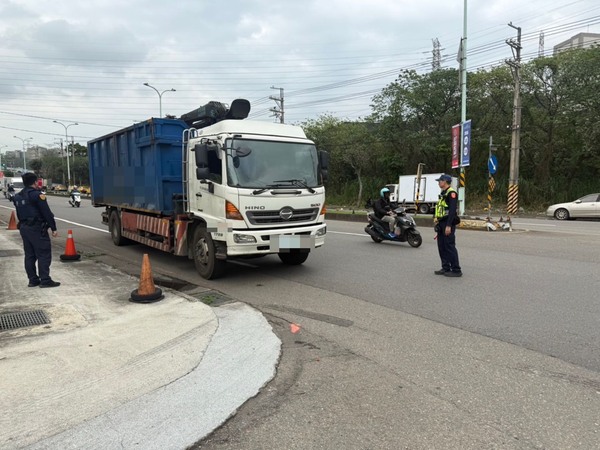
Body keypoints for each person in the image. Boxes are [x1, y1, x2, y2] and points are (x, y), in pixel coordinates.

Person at [13, 172, 60, 288]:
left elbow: (19, 214)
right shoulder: (37, 195)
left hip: (24, 228)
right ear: (35, 182)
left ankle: (33, 280)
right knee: (43, 254)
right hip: (36, 228)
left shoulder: (17, 196)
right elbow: (47, 213)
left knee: (29, 255)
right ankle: (45, 280)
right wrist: (53, 228)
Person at [434, 174, 462, 277]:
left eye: (440, 181)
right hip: (441, 223)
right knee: (441, 246)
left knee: (449, 246)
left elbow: (452, 211)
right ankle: (445, 267)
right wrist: (436, 220)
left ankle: (456, 270)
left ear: (445, 181)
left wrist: (449, 225)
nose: (438, 183)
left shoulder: (451, 193)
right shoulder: (443, 193)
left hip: (447, 223)